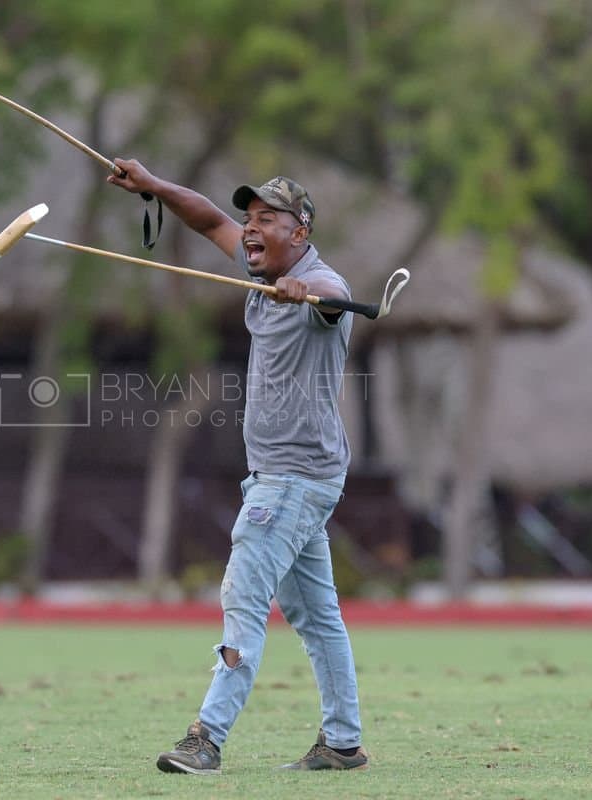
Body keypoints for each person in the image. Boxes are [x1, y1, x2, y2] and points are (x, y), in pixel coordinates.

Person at [107, 159, 368, 774]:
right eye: (250, 220)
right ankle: (342, 742)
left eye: (266, 220)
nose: (250, 230)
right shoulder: (260, 266)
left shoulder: (318, 281)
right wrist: (154, 187)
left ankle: (207, 738)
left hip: (292, 481)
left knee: (242, 596)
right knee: (316, 616)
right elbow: (208, 222)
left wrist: (308, 294)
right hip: (294, 476)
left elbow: (335, 299)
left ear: (299, 232)